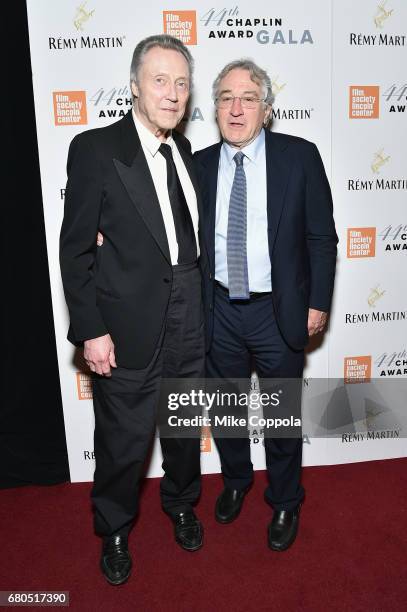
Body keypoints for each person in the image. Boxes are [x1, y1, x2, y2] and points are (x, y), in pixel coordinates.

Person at [60, 34, 206, 586]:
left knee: (185, 423)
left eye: (182, 83)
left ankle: (182, 502)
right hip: (126, 324)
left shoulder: (186, 152)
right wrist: (91, 329)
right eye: (160, 80)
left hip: (192, 314)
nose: (172, 94)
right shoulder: (96, 149)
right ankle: (115, 530)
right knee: (123, 439)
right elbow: (75, 250)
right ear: (134, 87)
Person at [194, 59, 338, 551]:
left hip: (278, 311)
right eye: (226, 98)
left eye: (248, 98)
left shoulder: (300, 157)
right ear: (213, 108)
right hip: (217, 309)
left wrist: (318, 301)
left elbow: (321, 237)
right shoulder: (196, 165)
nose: (236, 109)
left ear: (267, 108)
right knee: (229, 409)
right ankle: (236, 480)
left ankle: (284, 500)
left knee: (280, 416)